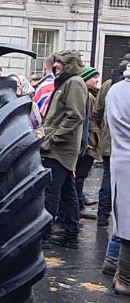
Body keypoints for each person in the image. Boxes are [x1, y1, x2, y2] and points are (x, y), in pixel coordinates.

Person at [41, 50, 87, 249]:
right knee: (68, 193)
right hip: (59, 147)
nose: (56, 65)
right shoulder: (67, 82)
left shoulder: (74, 83)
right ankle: (70, 235)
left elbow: (75, 116)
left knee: (52, 192)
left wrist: (53, 138)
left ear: (67, 64)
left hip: (59, 149)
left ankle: (44, 236)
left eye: (59, 62)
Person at [105, 62, 130, 295]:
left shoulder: (115, 89)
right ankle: (125, 277)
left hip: (120, 157)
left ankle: (117, 269)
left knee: (123, 215)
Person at [76, 66, 100, 219]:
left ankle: (79, 201)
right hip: (89, 141)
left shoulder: (91, 95)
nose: (97, 79)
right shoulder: (88, 96)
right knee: (80, 174)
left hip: (90, 139)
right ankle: (78, 205)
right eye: (94, 77)